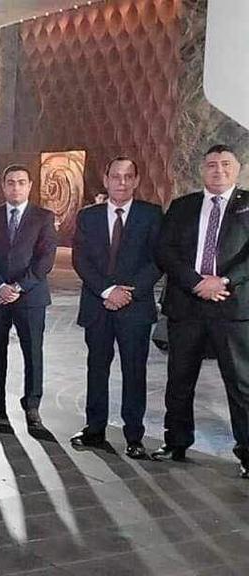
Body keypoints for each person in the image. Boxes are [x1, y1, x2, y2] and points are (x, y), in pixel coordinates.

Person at [155, 144, 249, 478]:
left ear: (237, 169)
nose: (218, 170)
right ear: (201, 170)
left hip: (232, 306)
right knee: (179, 380)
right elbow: (164, 250)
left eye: (225, 164)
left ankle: (247, 452)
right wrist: (196, 282)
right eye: (211, 164)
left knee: (241, 384)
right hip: (186, 304)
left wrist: (222, 280)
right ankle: (176, 441)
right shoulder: (182, 206)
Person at [70, 157, 162, 459]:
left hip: (134, 307)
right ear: (106, 179)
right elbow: (80, 259)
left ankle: (134, 435)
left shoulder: (151, 214)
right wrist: (108, 291)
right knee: (97, 368)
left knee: (134, 371)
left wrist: (127, 293)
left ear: (136, 181)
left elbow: (157, 260)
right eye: (116, 176)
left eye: (128, 176)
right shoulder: (88, 216)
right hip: (98, 305)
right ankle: (94, 429)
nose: (121, 182)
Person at [0, 165, 58, 430]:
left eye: (21, 182)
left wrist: (18, 287)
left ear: (29, 185)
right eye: (10, 182)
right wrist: (0, 286)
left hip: (30, 297)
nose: (15, 187)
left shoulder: (43, 217)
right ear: (3, 186)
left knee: (33, 353)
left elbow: (45, 259)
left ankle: (32, 406)